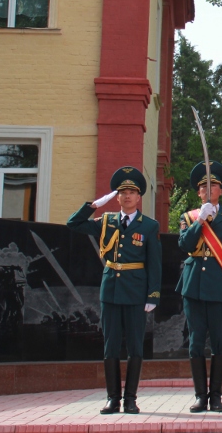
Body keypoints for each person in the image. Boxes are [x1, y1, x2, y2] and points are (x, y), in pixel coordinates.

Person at [67, 166, 161, 415]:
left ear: (139, 197)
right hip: (111, 290)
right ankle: (112, 398)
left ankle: (130, 398)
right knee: (110, 346)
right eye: (122, 192)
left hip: (135, 292)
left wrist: (153, 294)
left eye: (132, 192)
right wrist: (94, 205)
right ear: (116, 197)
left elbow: (154, 263)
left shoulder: (149, 226)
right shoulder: (106, 221)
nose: (127, 196)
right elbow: (73, 224)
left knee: (135, 347)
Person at [178, 161, 222, 413]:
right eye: (203, 186)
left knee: (218, 342)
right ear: (198, 192)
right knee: (195, 343)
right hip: (193, 287)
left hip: (219, 288)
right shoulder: (189, 217)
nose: (208, 189)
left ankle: (216, 396)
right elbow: (184, 245)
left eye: (212, 185)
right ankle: (200, 396)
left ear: (221, 190)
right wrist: (200, 221)